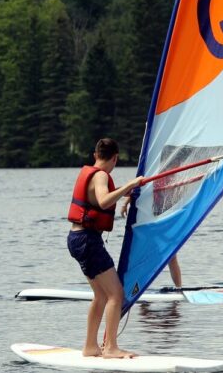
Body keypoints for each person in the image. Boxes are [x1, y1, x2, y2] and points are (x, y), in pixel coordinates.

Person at [68, 138, 142, 358]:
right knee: (116, 294)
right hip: (87, 241)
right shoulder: (101, 176)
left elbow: (100, 198)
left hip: (76, 238)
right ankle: (110, 347)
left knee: (100, 295)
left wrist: (126, 191)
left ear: (95, 155)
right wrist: (130, 185)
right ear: (115, 157)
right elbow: (102, 201)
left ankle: (90, 346)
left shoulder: (92, 173)